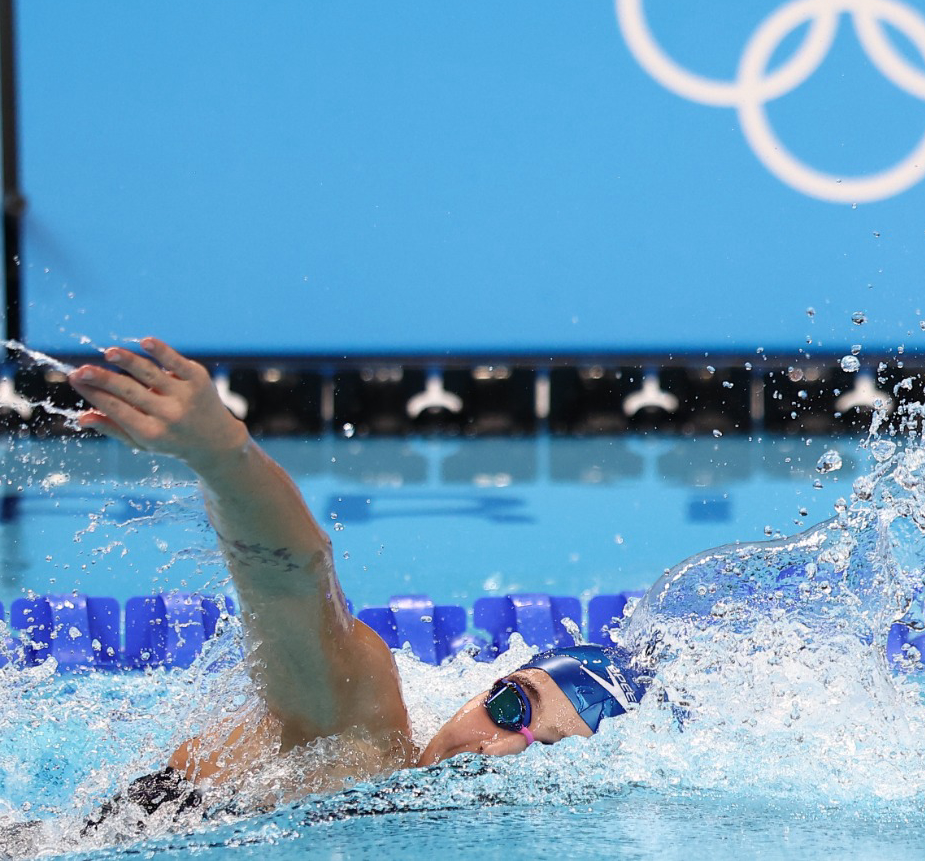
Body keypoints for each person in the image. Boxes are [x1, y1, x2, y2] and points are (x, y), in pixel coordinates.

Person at [49, 338, 647, 827]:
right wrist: (223, 454)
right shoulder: (361, 746)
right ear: (483, 688)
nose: (502, 747)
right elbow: (292, 582)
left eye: (549, 753)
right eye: (511, 705)